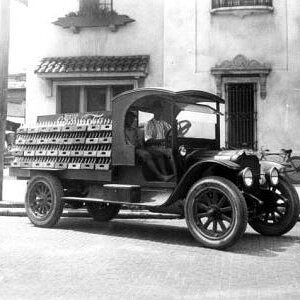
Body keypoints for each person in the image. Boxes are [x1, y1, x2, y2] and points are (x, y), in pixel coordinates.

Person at [125, 111, 173, 182]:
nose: (133, 121)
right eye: (131, 119)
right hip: (130, 149)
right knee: (146, 154)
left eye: (134, 119)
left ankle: (164, 175)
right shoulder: (123, 130)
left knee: (159, 154)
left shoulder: (135, 130)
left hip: (140, 147)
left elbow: (140, 141)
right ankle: (160, 176)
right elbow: (129, 143)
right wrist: (137, 147)